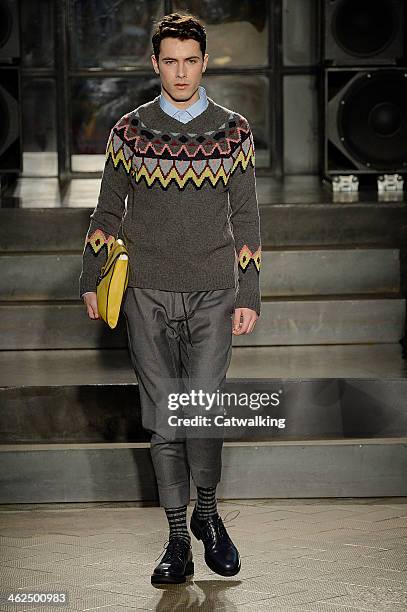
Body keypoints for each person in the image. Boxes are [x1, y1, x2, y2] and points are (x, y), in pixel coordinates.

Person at [79, 12, 261, 585]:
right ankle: (179, 539)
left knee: (202, 411)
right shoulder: (129, 130)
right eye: (170, 61)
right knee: (162, 420)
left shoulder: (234, 131)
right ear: (154, 64)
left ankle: (209, 513)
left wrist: (248, 290)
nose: (180, 72)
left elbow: (247, 214)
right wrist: (92, 276)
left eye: (190, 60)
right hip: (146, 291)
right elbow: (108, 211)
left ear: (204, 63)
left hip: (213, 290)